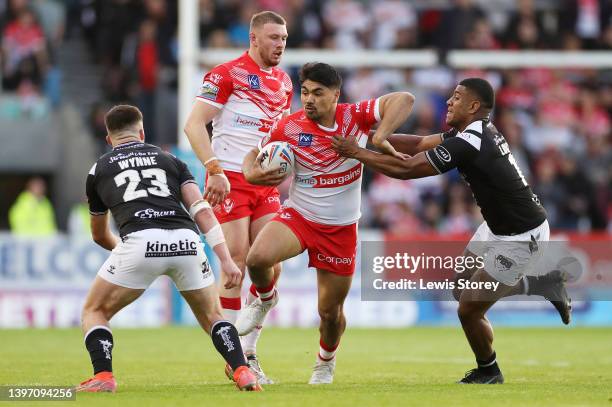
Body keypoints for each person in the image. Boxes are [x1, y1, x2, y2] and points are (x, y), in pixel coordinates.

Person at [331, 78, 571, 384]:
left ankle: (489, 370)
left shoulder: (469, 142)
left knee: (468, 309)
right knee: (461, 289)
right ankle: (540, 285)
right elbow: (417, 144)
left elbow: (407, 169)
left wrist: (356, 153)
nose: (448, 102)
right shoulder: (468, 133)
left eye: (456, 98)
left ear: (473, 106)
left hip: (523, 236)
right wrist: (365, 137)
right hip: (497, 228)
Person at [237, 62, 415, 384]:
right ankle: (265, 298)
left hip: (341, 229)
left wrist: (381, 136)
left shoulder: (355, 116)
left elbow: (404, 99)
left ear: (336, 95)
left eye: (318, 93)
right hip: (301, 217)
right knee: (257, 258)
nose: (308, 99)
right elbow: (251, 154)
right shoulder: (288, 127)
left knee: (329, 314)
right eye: (304, 92)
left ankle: (324, 362)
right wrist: (252, 173)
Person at [77, 105, 261, 392]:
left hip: (139, 241)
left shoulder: (99, 168)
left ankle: (103, 377)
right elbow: (201, 210)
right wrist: (226, 259)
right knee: (213, 316)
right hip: (186, 241)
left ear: (108, 139)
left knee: (94, 310)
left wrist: (125, 255)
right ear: (142, 132)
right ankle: (242, 370)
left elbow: (99, 234)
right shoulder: (170, 159)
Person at [183, 10, 292, 384]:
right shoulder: (226, 74)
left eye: (284, 38)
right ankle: (240, 358)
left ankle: (258, 318)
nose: (280, 44)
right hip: (227, 177)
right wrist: (213, 169)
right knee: (236, 264)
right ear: (254, 38)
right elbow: (194, 124)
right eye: (274, 37)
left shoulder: (285, 82)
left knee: (269, 265)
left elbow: (281, 138)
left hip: (264, 182)